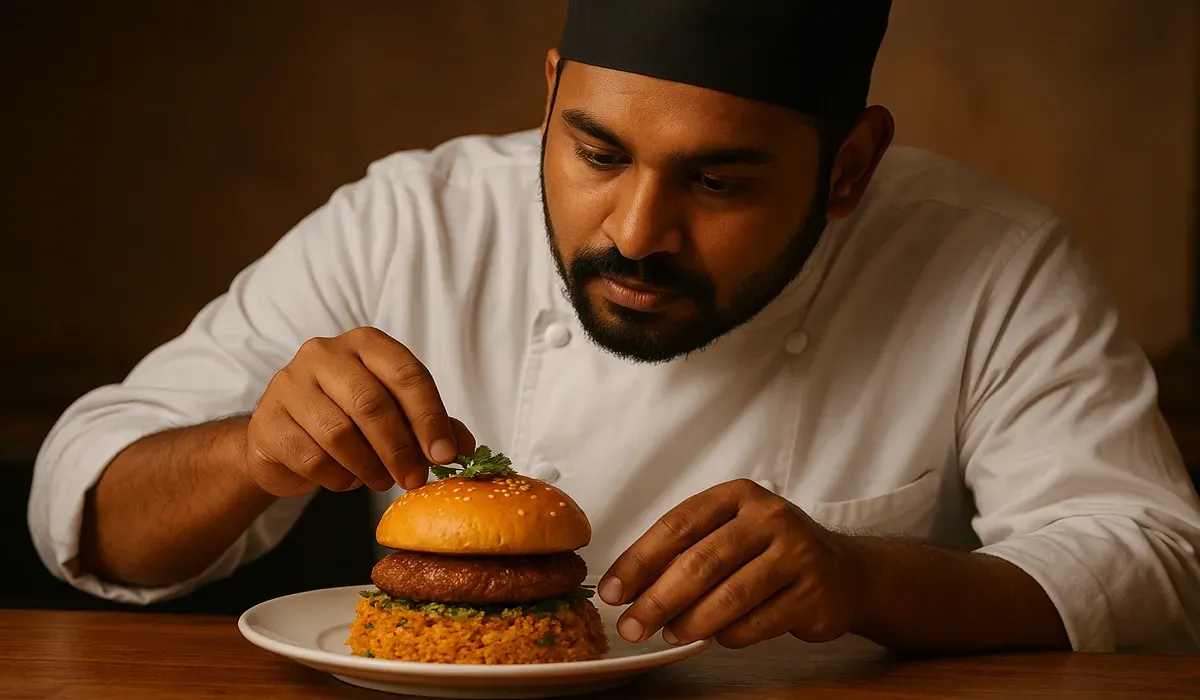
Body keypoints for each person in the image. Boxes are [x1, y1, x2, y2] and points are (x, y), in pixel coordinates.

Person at [28, 0, 1200, 654]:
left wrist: (868, 578)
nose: (637, 231)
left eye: (721, 183)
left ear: (850, 168)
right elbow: (84, 505)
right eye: (595, 151)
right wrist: (246, 453)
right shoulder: (410, 222)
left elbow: (1155, 561)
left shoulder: (992, 259)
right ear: (549, 93)